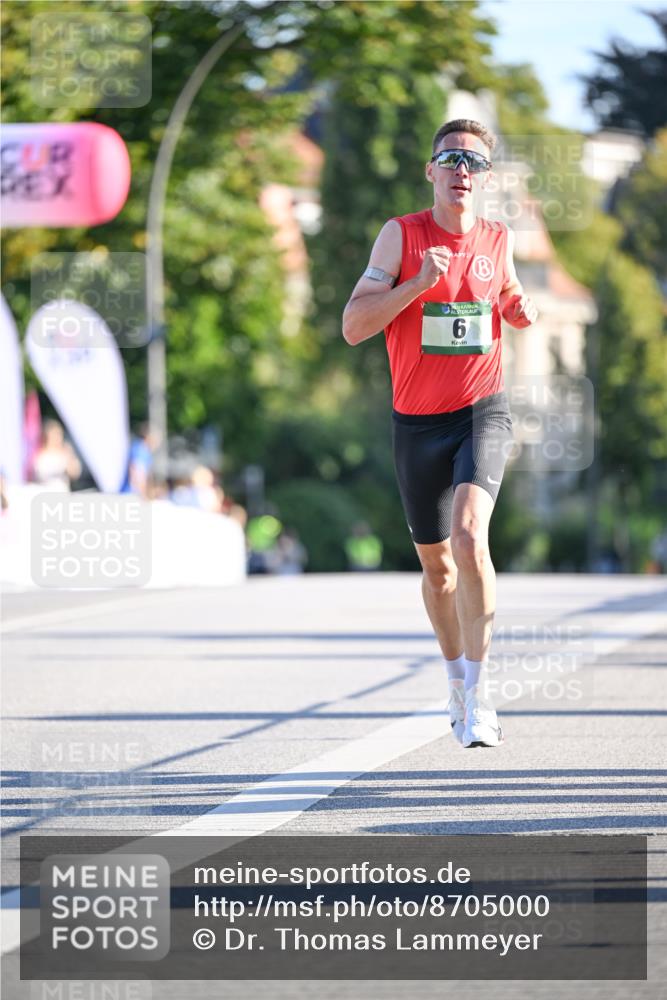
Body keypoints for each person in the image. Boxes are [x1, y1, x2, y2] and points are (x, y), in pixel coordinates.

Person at [342, 118, 537, 748]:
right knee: (437, 570)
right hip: (416, 424)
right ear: (431, 171)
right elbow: (352, 326)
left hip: (482, 411)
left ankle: (481, 698)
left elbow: (505, 294)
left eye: (474, 163)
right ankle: (456, 684)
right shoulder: (400, 237)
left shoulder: (498, 237)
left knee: (469, 534)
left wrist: (518, 307)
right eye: (451, 159)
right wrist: (418, 283)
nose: (462, 171)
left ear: (485, 179)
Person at [32, 419, 81, 491]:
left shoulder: (65, 452)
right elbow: (40, 475)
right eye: (54, 434)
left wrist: (70, 456)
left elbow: (75, 473)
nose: (57, 438)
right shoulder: (41, 454)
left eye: (59, 434)